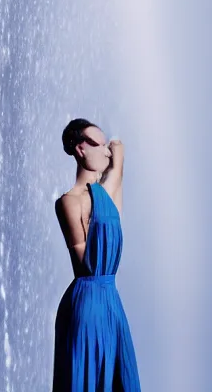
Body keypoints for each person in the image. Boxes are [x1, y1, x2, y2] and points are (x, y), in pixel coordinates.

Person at [52, 118, 142, 391]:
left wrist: (118, 160)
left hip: (111, 301)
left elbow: (115, 178)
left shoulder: (106, 194)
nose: (106, 151)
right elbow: (85, 264)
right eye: (99, 144)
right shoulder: (68, 201)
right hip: (88, 301)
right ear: (80, 149)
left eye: (107, 145)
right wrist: (118, 161)